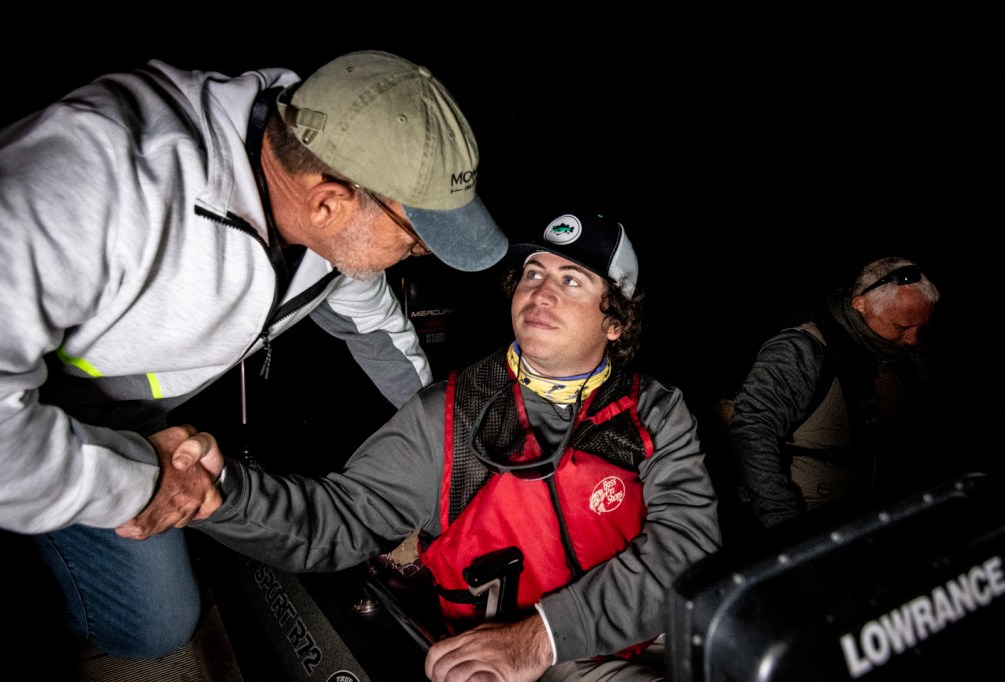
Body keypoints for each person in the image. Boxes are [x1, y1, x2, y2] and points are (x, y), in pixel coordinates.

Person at [0, 50, 507, 660]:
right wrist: (139, 480)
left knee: (163, 621)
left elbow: (380, 332)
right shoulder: (96, 181)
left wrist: (447, 451)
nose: (417, 256)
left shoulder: (319, 203)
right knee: (129, 623)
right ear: (329, 203)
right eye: (416, 241)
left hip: (120, 422)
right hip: (24, 420)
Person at [128, 210, 723, 681]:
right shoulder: (450, 413)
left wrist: (545, 633)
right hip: (521, 661)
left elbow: (688, 548)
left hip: (647, 632)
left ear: (616, 321)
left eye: (571, 280)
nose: (541, 292)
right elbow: (338, 521)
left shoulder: (656, 409)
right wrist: (221, 495)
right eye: (533, 273)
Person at [727, 256, 947, 531]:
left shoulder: (908, 361)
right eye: (902, 327)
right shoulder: (802, 350)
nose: (913, 339)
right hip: (812, 516)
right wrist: (782, 521)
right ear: (860, 305)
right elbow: (752, 430)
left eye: (920, 327)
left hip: (876, 516)